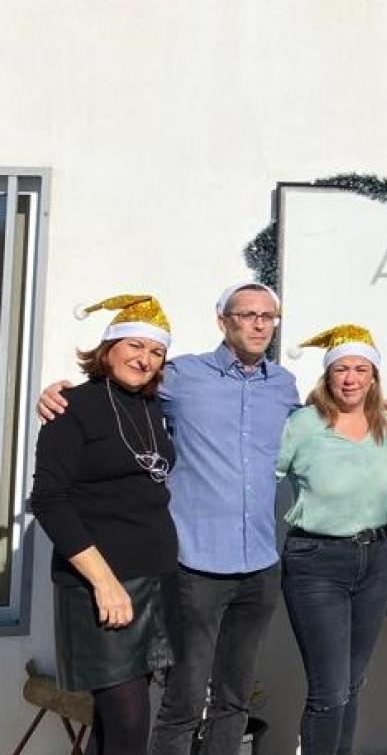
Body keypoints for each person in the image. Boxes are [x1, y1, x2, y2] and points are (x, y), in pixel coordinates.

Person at [38, 282, 300, 755]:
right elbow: (52, 494)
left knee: (232, 700)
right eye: (247, 314)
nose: (259, 323)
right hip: (189, 570)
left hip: (251, 564)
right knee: (169, 705)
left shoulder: (283, 386)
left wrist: (379, 409)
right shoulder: (181, 377)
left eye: (268, 316)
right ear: (224, 321)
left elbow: (323, 427)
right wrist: (55, 391)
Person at [30, 294, 178, 755]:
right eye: (134, 346)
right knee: (128, 719)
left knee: (116, 721)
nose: (145, 359)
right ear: (107, 348)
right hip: (102, 585)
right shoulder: (71, 408)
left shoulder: (152, 407)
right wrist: (104, 582)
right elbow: (49, 500)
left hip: (155, 580)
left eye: (156, 352)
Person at [277, 324, 387, 755]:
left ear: (373, 376)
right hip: (317, 562)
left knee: (351, 683)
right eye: (340, 369)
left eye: (359, 369)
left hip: (377, 559)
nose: (350, 379)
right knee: (328, 691)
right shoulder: (303, 424)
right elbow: (255, 475)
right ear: (327, 376)